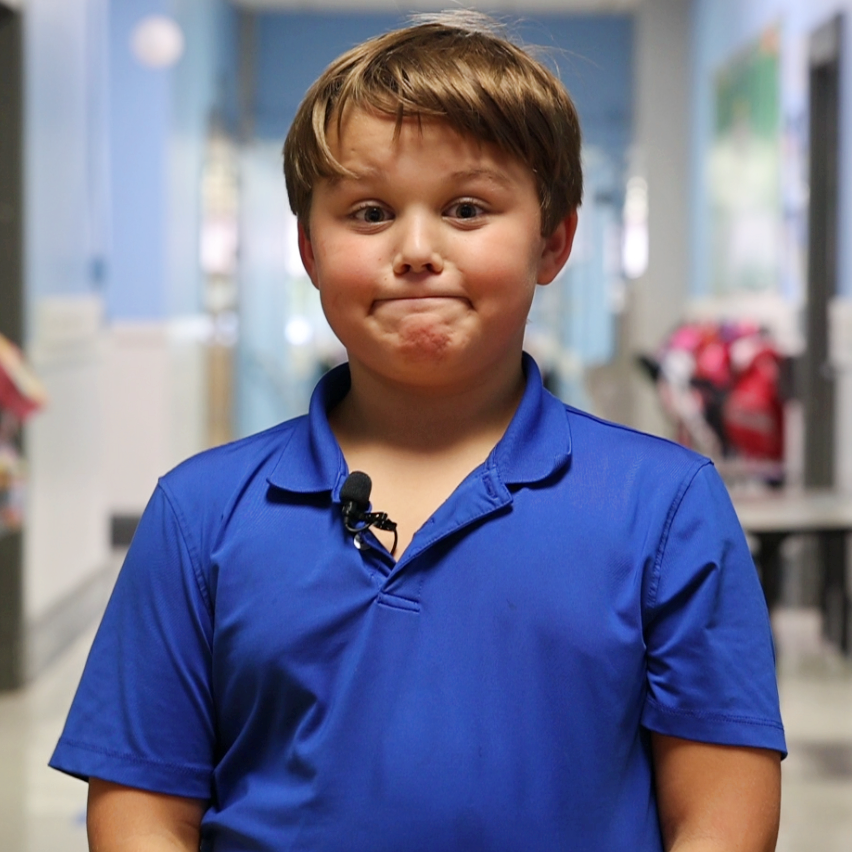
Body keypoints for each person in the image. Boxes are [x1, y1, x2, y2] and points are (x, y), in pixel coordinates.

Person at [51, 12, 785, 851]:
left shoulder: (665, 507)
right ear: (309, 250)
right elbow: (141, 810)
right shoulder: (200, 512)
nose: (416, 249)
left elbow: (723, 817)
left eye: (467, 208)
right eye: (367, 213)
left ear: (554, 240)